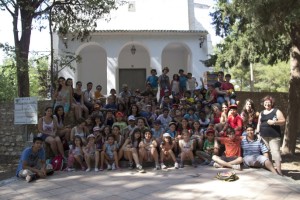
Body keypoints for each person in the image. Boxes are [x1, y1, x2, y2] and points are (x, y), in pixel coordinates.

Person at [256, 96, 286, 176]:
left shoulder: (276, 111)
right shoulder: (261, 112)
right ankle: (272, 170)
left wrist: (274, 122)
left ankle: (279, 171)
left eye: (269, 102)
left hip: (274, 136)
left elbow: (283, 121)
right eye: (265, 102)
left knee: (275, 153)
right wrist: (258, 133)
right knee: (266, 153)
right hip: (263, 136)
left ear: (272, 103)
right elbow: (259, 123)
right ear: (263, 104)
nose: (267, 104)